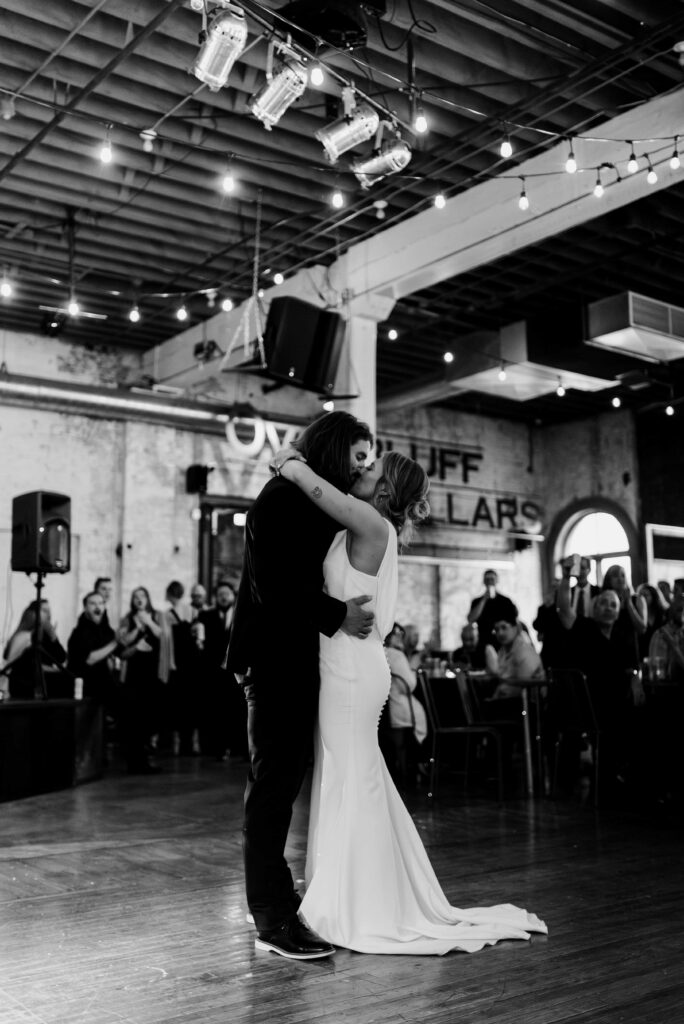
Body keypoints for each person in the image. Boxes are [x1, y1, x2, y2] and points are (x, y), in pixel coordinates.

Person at [274, 445, 546, 956]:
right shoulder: (367, 527)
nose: (361, 468)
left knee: (350, 778)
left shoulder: (373, 524)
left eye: (371, 467)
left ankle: (357, 905)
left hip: (352, 672)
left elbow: (316, 490)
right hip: (345, 664)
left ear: (385, 489)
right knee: (347, 777)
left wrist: (291, 463)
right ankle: (351, 895)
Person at [225, 411, 376, 961]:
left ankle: (265, 896)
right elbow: (275, 586)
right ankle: (272, 919)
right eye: (359, 455)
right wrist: (338, 615)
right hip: (272, 658)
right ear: (336, 451)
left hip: (291, 658)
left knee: (279, 781)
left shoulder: (308, 498)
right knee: (274, 785)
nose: (364, 466)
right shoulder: (282, 499)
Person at [117, 587, 164, 774]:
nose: (139, 599)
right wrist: (137, 628)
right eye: (135, 597)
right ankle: (135, 762)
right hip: (133, 676)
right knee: (133, 719)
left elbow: (162, 635)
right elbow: (123, 647)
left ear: (148, 598)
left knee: (149, 718)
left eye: (142, 596)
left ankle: (146, 758)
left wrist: (148, 621)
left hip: (152, 674)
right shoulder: (127, 618)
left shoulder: (157, 615)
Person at [197, 580, 243, 760]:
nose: (224, 597)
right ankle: (218, 748)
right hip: (213, 673)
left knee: (236, 710)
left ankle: (237, 747)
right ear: (216, 597)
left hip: (235, 672)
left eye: (227, 594)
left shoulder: (241, 615)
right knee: (216, 711)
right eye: (220, 594)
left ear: (233, 596)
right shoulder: (206, 616)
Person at [383, 622, 428, 789]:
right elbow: (409, 685)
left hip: (385, 710)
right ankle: (420, 763)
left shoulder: (381, 651)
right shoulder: (395, 654)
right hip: (399, 709)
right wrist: (414, 666)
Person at [2, 599, 68, 699]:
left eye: (49, 611)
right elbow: (23, 663)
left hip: (42, 684)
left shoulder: (46, 635)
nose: (48, 614)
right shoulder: (24, 636)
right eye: (44, 610)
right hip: (23, 684)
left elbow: (61, 657)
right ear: (33, 613)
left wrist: (53, 637)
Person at [67, 592, 118, 702]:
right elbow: (89, 659)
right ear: (85, 607)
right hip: (85, 687)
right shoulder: (79, 632)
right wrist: (115, 643)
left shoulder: (108, 631)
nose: (97, 607)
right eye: (93, 604)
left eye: (100, 603)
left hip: (106, 685)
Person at [467, 569, 518, 652]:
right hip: (483, 641)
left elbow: (514, 620)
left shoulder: (506, 601)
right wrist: (484, 600)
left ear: (497, 580)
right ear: (484, 581)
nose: (490, 582)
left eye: (492, 579)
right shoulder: (477, 601)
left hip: (503, 641)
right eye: (487, 579)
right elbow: (470, 619)